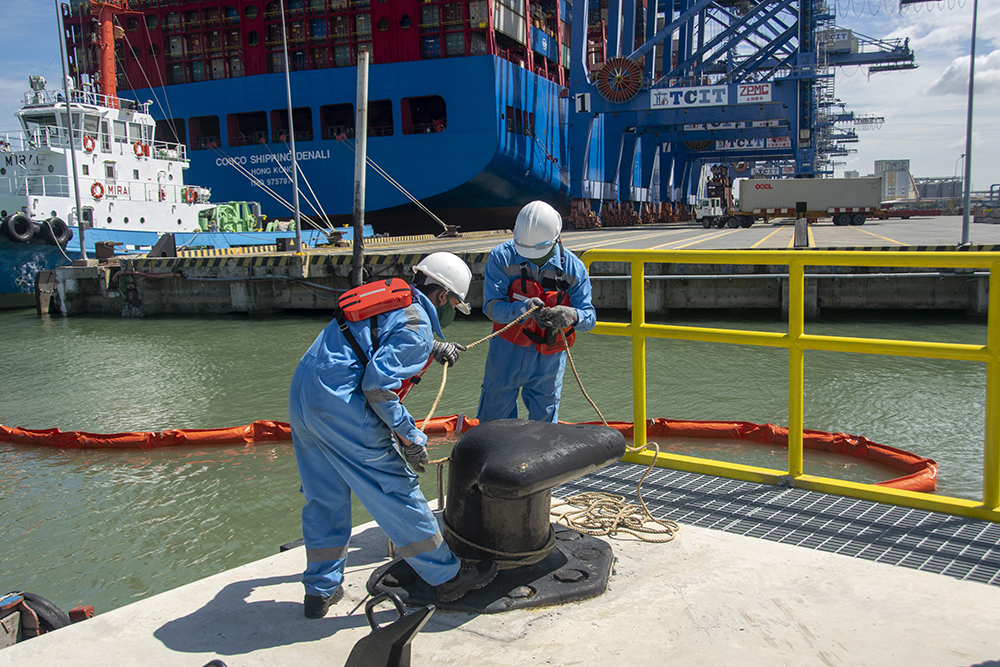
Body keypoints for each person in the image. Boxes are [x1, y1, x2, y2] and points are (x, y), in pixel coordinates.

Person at [288, 252, 498, 619]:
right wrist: (411, 439)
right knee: (396, 489)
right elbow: (378, 389)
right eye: (454, 304)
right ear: (443, 297)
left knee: (325, 496)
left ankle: (320, 591)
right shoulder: (417, 327)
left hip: (305, 394)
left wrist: (430, 346)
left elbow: (372, 339)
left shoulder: (392, 299)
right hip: (341, 404)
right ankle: (446, 575)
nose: (452, 312)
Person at [478, 200, 596, 423]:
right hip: (506, 353)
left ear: (557, 239)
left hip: (549, 361)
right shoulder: (501, 257)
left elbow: (589, 317)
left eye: (539, 252)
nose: (532, 257)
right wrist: (523, 309)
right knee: (494, 423)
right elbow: (491, 307)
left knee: (544, 429)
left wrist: (572, 315)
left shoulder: (574, 268)